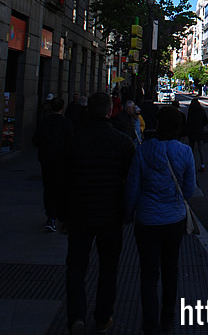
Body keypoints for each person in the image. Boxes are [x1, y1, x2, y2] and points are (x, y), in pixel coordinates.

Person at [60, 92, 134, 335]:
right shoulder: (121, 141)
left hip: (79, 212)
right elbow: (129, 180)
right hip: (110, 214)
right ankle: (103, 317)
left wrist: (62, 214)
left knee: (76, 267)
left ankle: (76, 319)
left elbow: (63, 180)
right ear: (109, 111)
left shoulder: (73, 139)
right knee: (109, 267)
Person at [125, 107, 195, 335]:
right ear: (179, 127)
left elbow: (132, 188)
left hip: (146, 220)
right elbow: (189, 190)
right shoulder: (185, 151)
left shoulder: (143, 150)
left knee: (148, 273)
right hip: (174, 219)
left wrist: (128, 213)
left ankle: (150, 324)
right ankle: (168, 316)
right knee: (171, 268)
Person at [32, 97, 73, 232]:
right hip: (62, 161)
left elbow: (36, 140)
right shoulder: (66, 123)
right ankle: (61, 216)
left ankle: (51, 216)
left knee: (49, 188)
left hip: (47, 160)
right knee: (61, 188)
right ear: (62, 108)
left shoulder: (44, 122)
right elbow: (71, 142)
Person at [187, 97, 208, 171]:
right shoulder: (202, 111)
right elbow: (206, 121)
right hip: (200, 132)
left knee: (191, 149)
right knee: (201, 149)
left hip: (192, 132)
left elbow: (188, 122)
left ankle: (190, 165)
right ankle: (203, 165)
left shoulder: (191, 111)